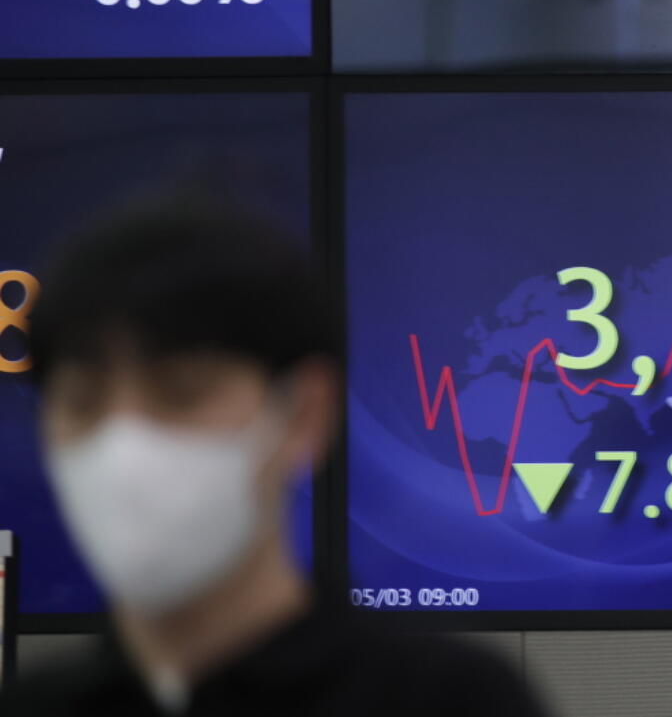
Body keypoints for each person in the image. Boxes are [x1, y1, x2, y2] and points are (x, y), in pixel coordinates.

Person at [4, 195, 548, 716]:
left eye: (182, 392)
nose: (124, 442)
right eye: (82, 400)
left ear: (304, 413)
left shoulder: (449, 701)